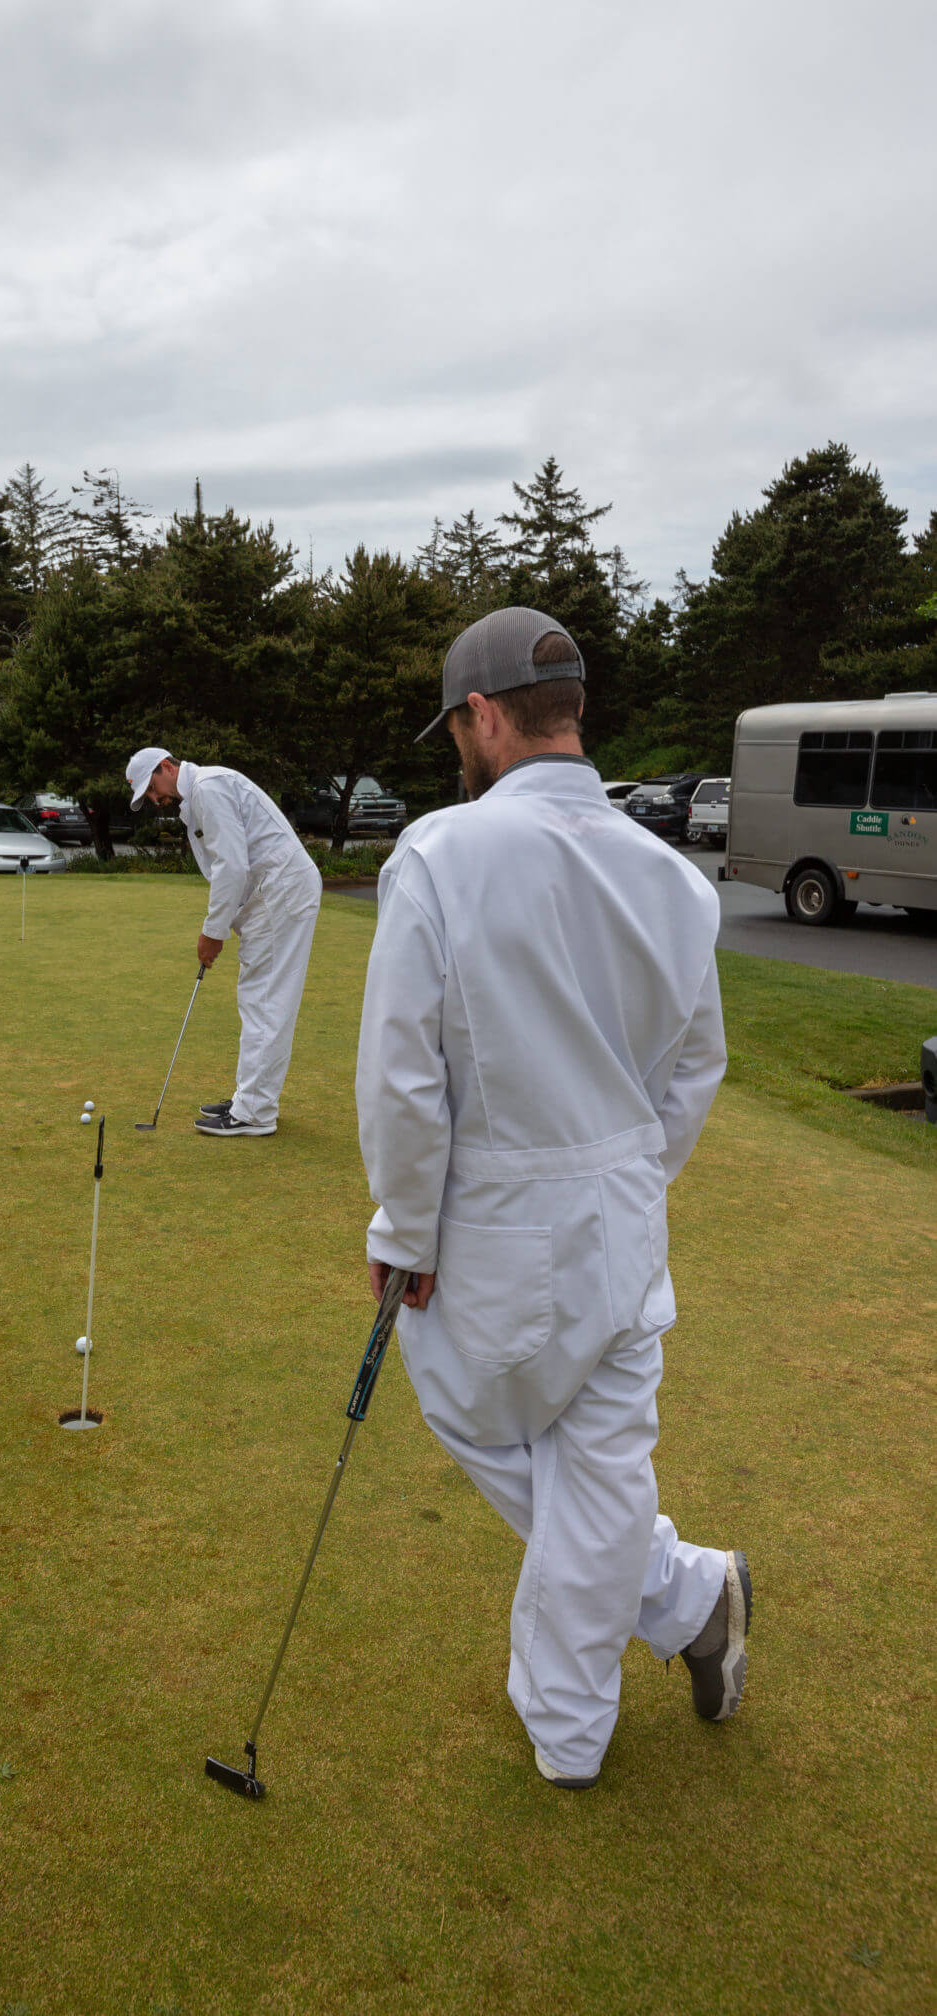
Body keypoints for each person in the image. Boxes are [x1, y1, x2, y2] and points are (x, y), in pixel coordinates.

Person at [355, 608, 748, 1789]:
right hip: (627, 1214)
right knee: (601, 1460)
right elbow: (697, 1063)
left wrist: (404, 1230)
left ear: (483, 715)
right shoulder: (673, 876)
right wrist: (631, 1174)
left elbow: (403, 1077)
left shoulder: (440, 852)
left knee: (474, 1409)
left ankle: (625, 1664)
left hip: (496, 1221)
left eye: (454, 727)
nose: (456, 747)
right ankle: (651, 1637)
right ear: (569, 710)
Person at [124, 746, 323, 1136]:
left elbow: (231, 865)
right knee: (258, 998)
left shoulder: (209, 787)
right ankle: (250, 1099)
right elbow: (229, 865)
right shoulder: (199, 795)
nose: (154, 799)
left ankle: (255, 1112)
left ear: (166, 767)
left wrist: (212, 933)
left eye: (151, 788)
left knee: (265, 999)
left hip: (281, 893)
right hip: (271, 895)